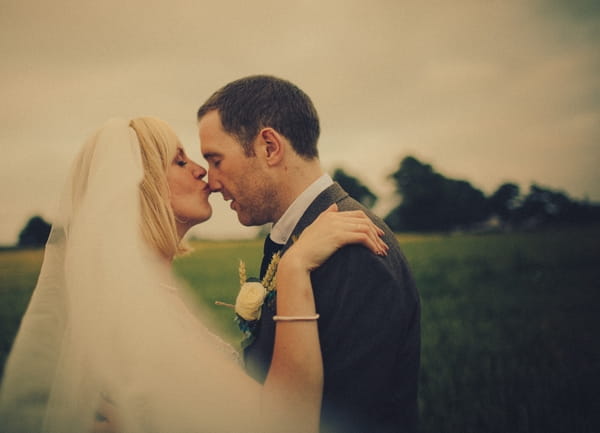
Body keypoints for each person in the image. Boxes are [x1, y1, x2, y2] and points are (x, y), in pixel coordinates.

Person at [0, 117, 388, 433]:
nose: (202, 171)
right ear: (142, 187)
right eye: (180, 160)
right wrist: (294, 268)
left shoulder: (147, 296)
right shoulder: (138, 312)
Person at [197, 75, 421, 433]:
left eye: (216, 160)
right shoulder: (295, 240)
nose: (210, 180)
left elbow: (348, 418)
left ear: (270, 147)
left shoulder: (356, 252)